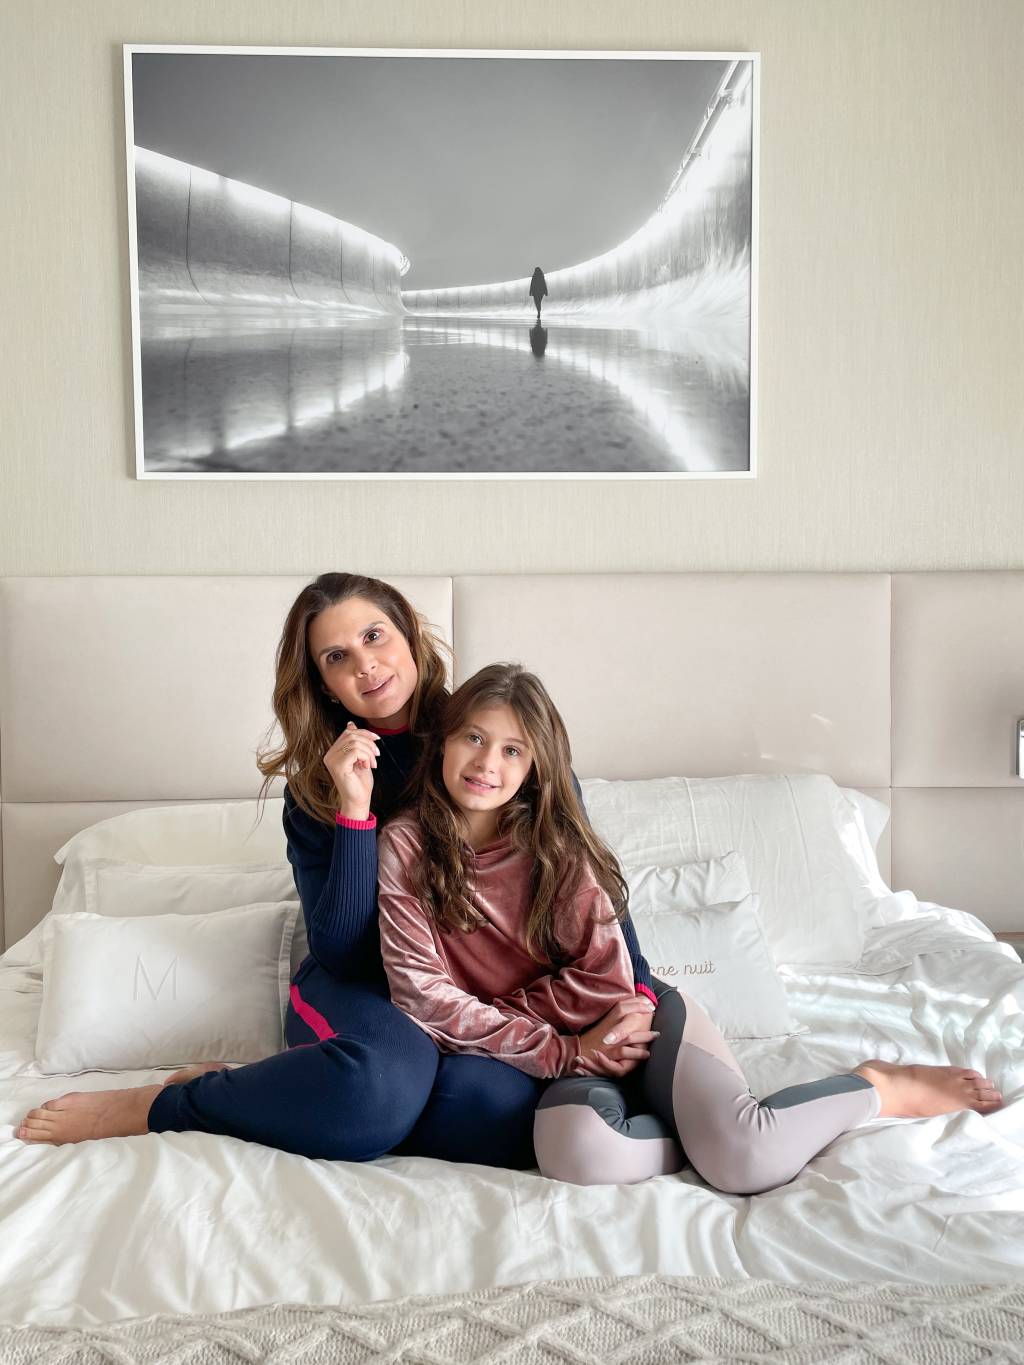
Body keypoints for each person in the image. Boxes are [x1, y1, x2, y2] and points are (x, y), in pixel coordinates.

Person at [16, 575, 657, 1158]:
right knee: (376, 1092)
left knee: (495, 1106)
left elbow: (585, 871)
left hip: (478, 994)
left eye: (374, 636)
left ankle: (287, 1094)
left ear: (410, 637)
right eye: (336, 657)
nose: (366, 665)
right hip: (362, 989)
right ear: (322, 683)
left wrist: (639, 995)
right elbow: (347, 954)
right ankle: (170, 1104)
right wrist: (355, 813)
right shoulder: (318, 788)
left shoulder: (499, 737)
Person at [378, 663, 1004, 1192]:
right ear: (443, 742)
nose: (488, 763)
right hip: (564, 1058)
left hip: (640, 1023)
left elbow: (607, 978)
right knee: (577, 1155)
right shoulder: (405, 847)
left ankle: (874, 1088)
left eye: (513, 749)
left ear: (537, 765)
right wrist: (563, 1050)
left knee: (747, 1157)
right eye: (474, 739)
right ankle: (699, 1137)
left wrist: (543, 1025)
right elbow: (421, 996)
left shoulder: (555, 845)